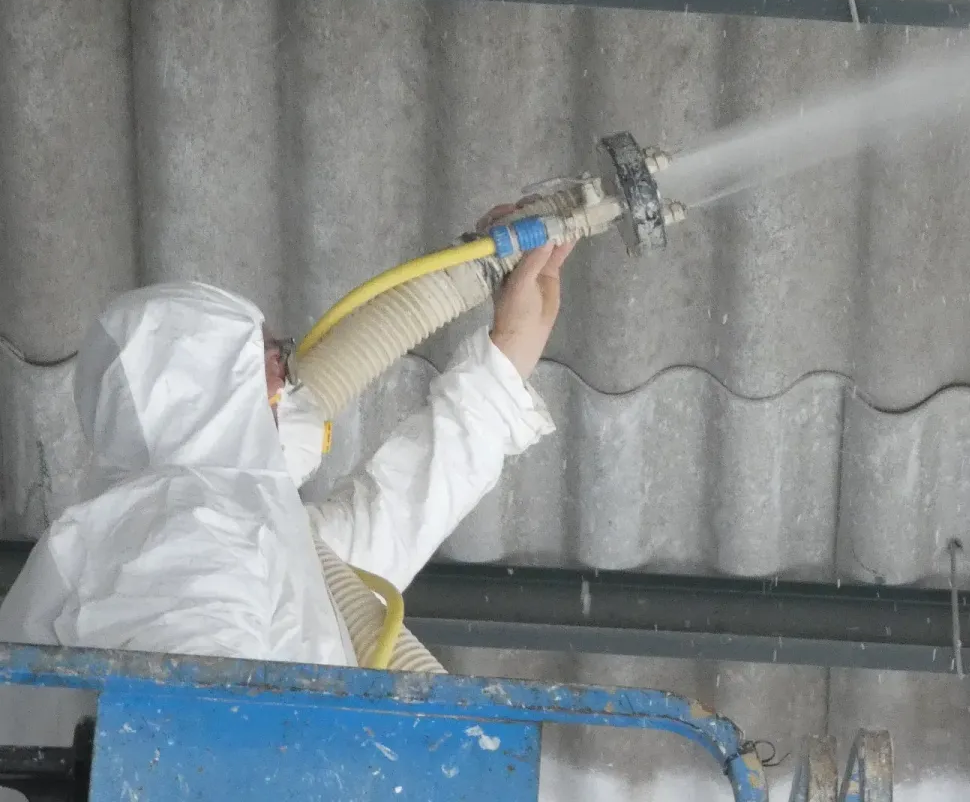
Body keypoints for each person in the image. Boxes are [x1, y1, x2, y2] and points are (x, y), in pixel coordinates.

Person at [0, 234, 573, 666]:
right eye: (275, 360)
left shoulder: (232, 532)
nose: (293, 381)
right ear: (213, 396)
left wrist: (505, 356)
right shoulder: (187, 531)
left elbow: (395, 515)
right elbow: (184, 753)